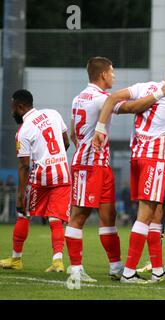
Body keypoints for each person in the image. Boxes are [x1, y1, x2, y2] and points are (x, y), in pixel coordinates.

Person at [92, 60, 165, 284]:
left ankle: (156, 270)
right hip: (154, 159)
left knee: (155, 213)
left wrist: (100, 128)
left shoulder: (143, 87)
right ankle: (128, 271)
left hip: (137, 156)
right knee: (145, 214)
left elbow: (113, 97)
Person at [65, 57, 126, 285]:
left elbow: (73, 132)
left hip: (99, 165)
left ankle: (116, 267)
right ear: (103, 75)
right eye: (112, 72)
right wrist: (156, 94)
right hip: (88, 165)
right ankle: (75, 270)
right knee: (79, 216)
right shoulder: (102, 99)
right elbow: (128, 107)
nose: (114, 76)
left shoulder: (77, 97)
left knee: (109, 216)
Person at [0, 90, 70, 272]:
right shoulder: (53, 114)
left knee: (24, 214)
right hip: (63, 172)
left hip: (42, 176)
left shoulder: (23, 131)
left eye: (13, 108)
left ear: (21, 107)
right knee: (56, 218)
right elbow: (66, 141)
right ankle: (57, 261)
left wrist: (20, 196)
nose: (12, 112)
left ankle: (16, 259)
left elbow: (24, 165)